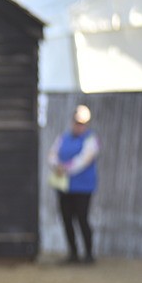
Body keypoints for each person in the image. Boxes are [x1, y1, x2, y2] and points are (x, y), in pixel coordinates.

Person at [47, 104, 99, 264]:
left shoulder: (92, 140)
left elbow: (83, 160)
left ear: (87, 124)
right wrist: (56, 165)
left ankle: (89, 254)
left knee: (82, 219)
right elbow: (52, 155)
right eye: (77, 122)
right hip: (64, 187)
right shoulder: (63, 138)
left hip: (83, 188)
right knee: (67, 219)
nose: (79, 126)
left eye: (82, 123)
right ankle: (73, 254)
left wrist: (65, 167)